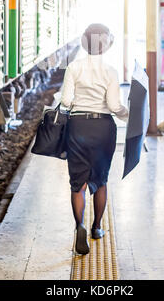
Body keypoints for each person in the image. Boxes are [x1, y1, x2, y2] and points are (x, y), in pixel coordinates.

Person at [61, 23, 129, 255]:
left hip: (77, 126)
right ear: (106, 45)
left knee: (77, 182)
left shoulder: (74, 67)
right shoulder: (111, 71)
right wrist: (128, 114)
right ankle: (96, 227)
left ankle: (79, 225)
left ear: (84, 42)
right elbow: (113, 106)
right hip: (103, 128)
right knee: (100, 180)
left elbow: (66, 101)